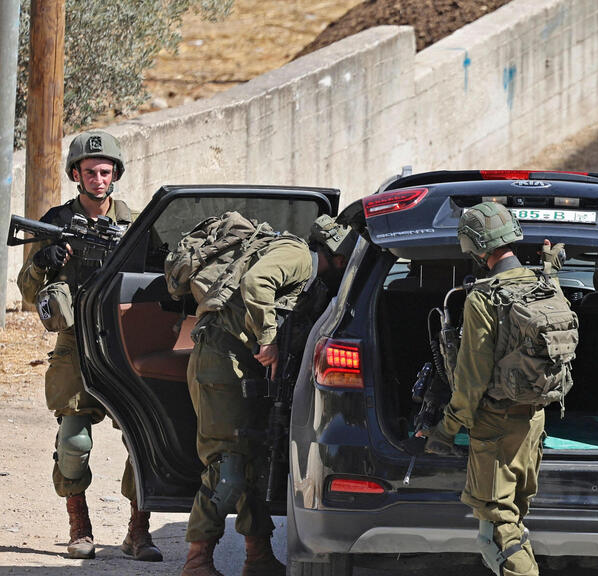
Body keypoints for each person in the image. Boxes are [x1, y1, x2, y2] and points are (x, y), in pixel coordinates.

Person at [16, 130, 162, 561]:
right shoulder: (55, 222)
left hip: (124, 342)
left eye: (105, 171)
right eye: (90, 171)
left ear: (115, 173)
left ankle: (139, 529)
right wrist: (43, 262)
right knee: (74, 442)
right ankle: (79, 527)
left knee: (142, 440)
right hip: (74, 344)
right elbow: (28, 293)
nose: (99, 178)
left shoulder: (135, 223)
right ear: (76, 174)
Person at [180, 215, 350, 576]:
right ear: (337, 255)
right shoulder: (300, 256)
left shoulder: (312, 280)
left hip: (240, 367)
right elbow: (257, 282)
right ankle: (197, 561)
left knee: (252, 462)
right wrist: (269, 338)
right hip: (221, 364)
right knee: (227, 466)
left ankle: (256, 556)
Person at [426, 202, 567, 576]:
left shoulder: (483, 298)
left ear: (476, 246)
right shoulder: (544, 285)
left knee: (498, 525)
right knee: (514, 515)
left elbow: (471, 378)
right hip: (533, 422)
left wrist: (447, 429)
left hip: (495, 426)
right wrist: (551, 267)